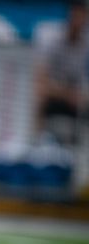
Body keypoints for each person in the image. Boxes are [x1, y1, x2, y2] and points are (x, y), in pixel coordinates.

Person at [35, 0, 89, 145]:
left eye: (82, 17)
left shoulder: (85, 44)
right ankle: (36, 143)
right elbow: (41, 84)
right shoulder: (51, 38)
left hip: (75, 96)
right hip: (53, 94)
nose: (79, 21)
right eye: (76, 16)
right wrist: (68, 95)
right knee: (39, 98)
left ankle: (81, 154)